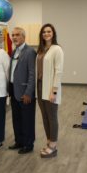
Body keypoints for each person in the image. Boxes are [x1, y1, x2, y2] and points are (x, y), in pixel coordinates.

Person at [36, 23, 64, 158]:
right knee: (45, 117)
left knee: (52, 117)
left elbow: (58, 72)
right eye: (44, 32)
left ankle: (53, 146)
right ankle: (49, 141)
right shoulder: (41, 50)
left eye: (49, 31)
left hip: (50, 89)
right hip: (40, 87)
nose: (46, 34)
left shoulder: (57, 49)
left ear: (53, 33)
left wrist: (54, 91)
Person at [8, 27, 36, 154]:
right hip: (14, 91)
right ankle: (19, 141)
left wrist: (28, 93)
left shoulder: (30, 52)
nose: (14, 37)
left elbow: (32, 74)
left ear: (23, 37)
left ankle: (28, 144)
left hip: (25, 93)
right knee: (16, 118)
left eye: (17, 35)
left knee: (27, 120)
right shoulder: (14, 52)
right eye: (13, 35)